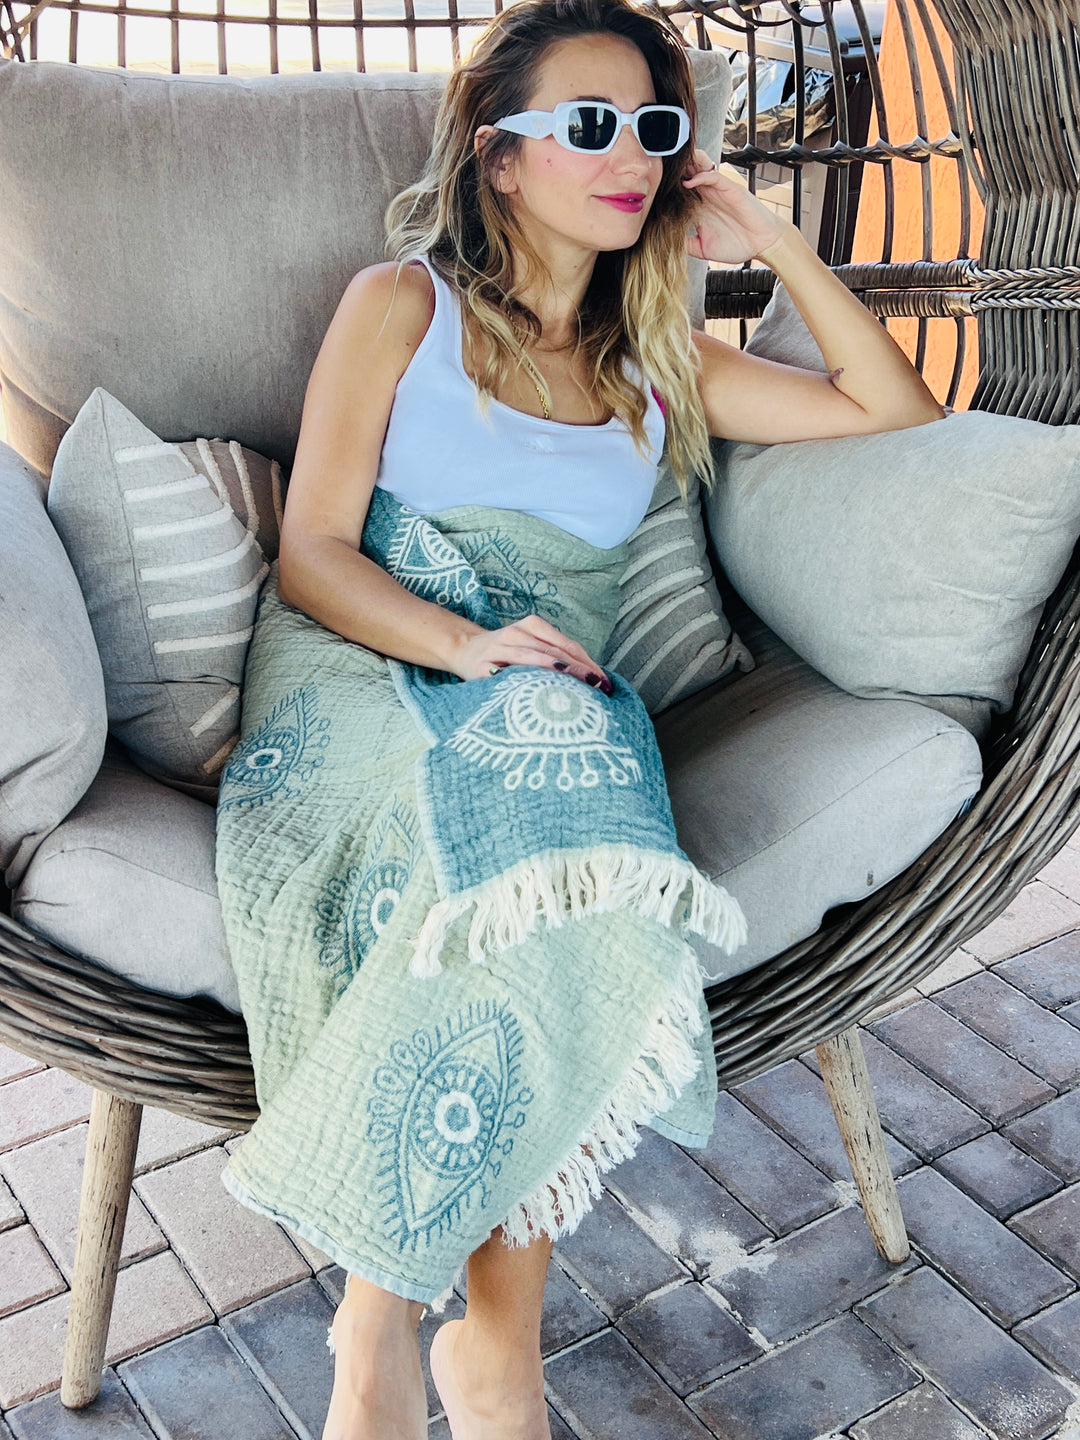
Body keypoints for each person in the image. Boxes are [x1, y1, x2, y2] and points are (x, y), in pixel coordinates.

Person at [235, 1, 943, 1436]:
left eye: (658, 131)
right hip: (373, 652)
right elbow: (312, 550)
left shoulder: (656, 370)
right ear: (500, 156)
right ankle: (471, 1356)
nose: (632, 157)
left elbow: (896, 407)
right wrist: (463, 642)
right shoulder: (399, 308)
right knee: (519, 841)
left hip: (548, 690)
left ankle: (394, 1325)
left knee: (563, 841)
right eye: (592, 126)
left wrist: (767, 232)